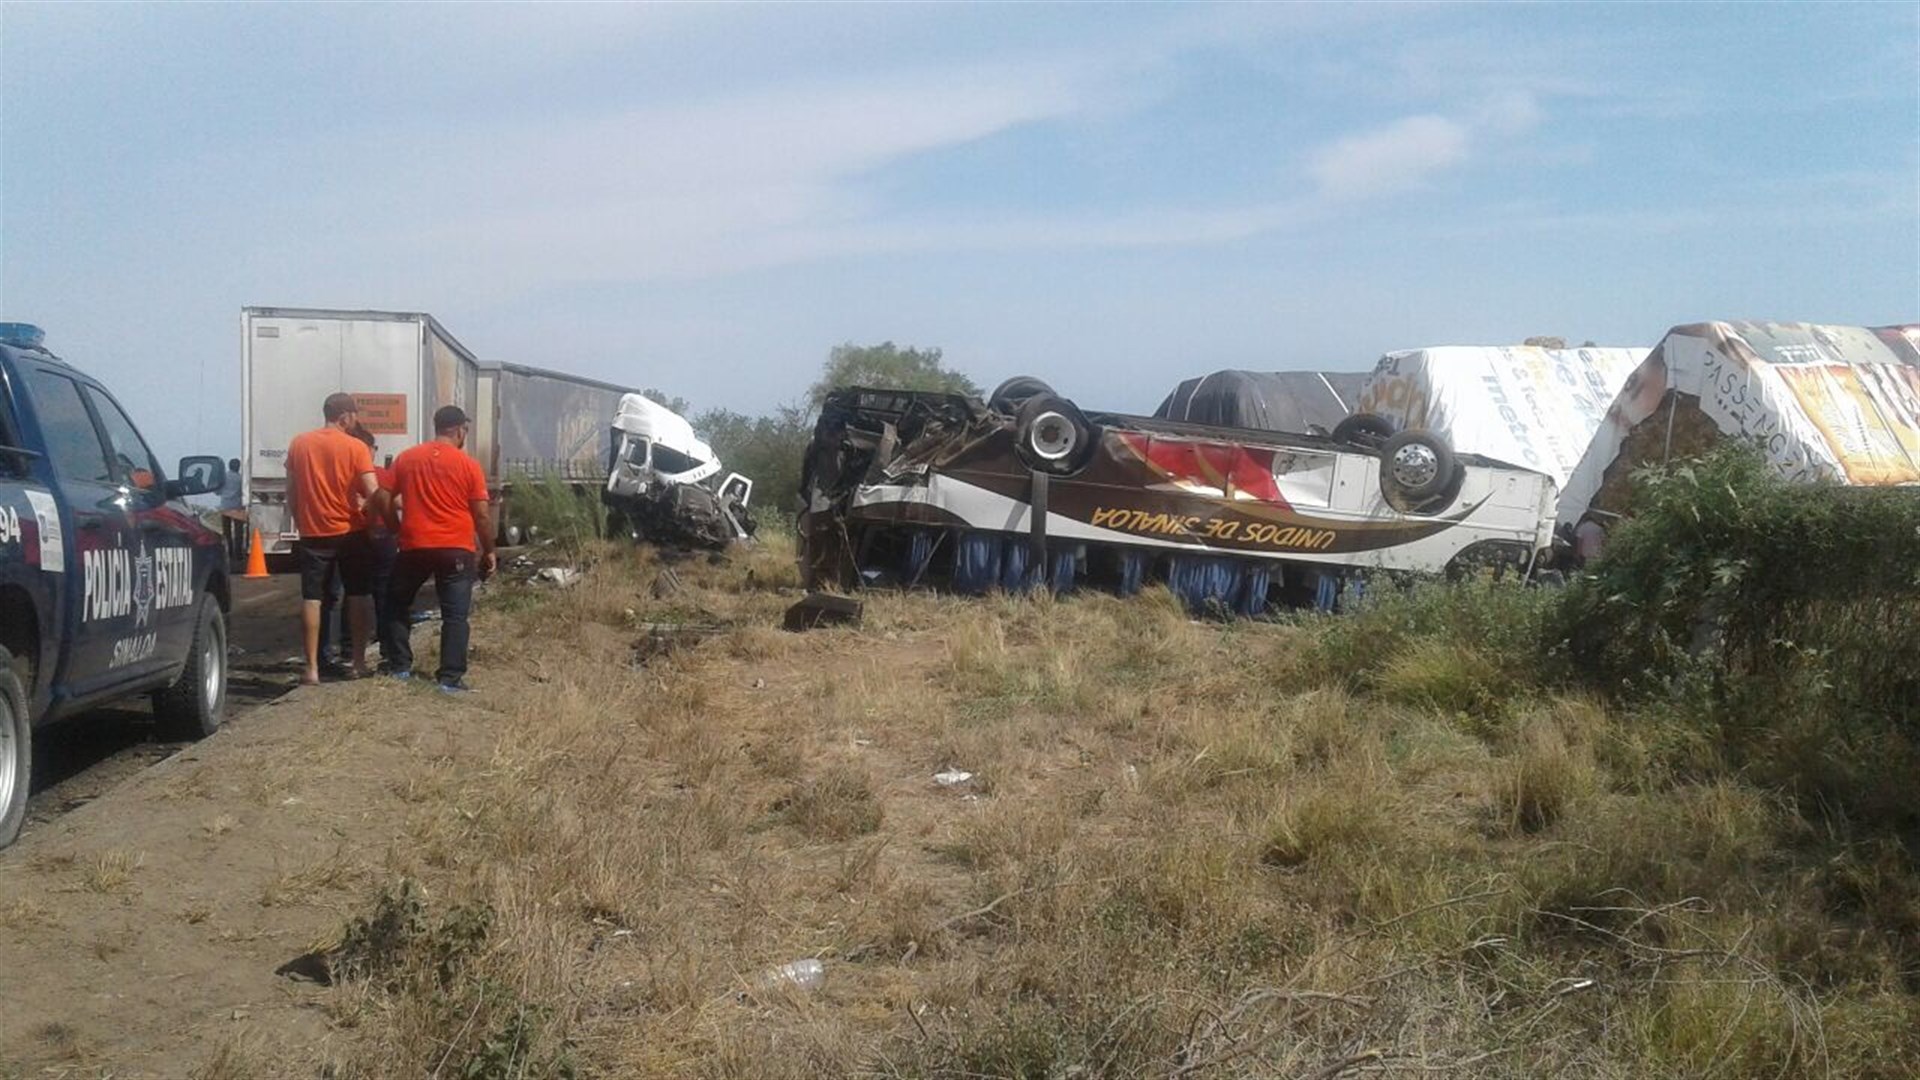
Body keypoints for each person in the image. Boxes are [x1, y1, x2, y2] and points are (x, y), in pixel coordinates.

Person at [384, 405, 495, 692]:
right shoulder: (468, 465)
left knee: (396, 603)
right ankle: (450, 678)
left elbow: (382, 497)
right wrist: (489, 550)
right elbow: (481, 515)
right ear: (459, 430)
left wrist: (394, 527)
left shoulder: (407, 458)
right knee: (455, 615)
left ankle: (399, 667)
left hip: (414, 545)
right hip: (456, 548)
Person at [285, 393, 384, 685]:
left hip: (313, 532)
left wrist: (302, 519)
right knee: (358, 594)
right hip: (350, 531)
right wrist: (373, 516)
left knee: (312, 598)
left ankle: (312, 669)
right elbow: (372, 491)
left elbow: (292, 490)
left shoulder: (299, 443)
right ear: (345, 416)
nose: (356, 420)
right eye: (355, 415)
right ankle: (358, 663)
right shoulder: (356, 447)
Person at [217, 457, 246, 566]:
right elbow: (244, 493)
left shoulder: (223, 477)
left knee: (226, 532)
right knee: (239, 533)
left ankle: (228, 554)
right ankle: (238, 555)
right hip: (238, 508)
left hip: (225, 507)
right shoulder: (241, 479)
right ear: (238, 467)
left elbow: (217, 491)